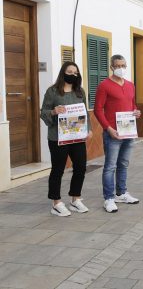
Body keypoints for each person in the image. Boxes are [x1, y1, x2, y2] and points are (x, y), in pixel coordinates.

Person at [40, 61, 92, 216]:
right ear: (63, 73)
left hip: (77, 137)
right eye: (70, 72)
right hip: (58, 138)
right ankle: (56, 203)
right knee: (58, 169)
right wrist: (53, 112)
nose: (73, 75)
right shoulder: (52, 91)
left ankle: (75, 199)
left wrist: (88, 129)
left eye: (75, 72)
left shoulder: (79, 91)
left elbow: (85, 112)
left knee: (81, 167)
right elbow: (44, 112)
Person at [94, 54, 141, 213]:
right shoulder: (104, 85)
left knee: (123, 164)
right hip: (113, 133)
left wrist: (136, 112)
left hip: (128, 131)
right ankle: (108, 198)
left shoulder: (130, 85)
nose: (121, 68)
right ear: (112, 67)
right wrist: (108, 128)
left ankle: (121, 193)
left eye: (123, 65)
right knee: (110, 166)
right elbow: (98, 109)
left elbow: (132, 105)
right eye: (118, 66)